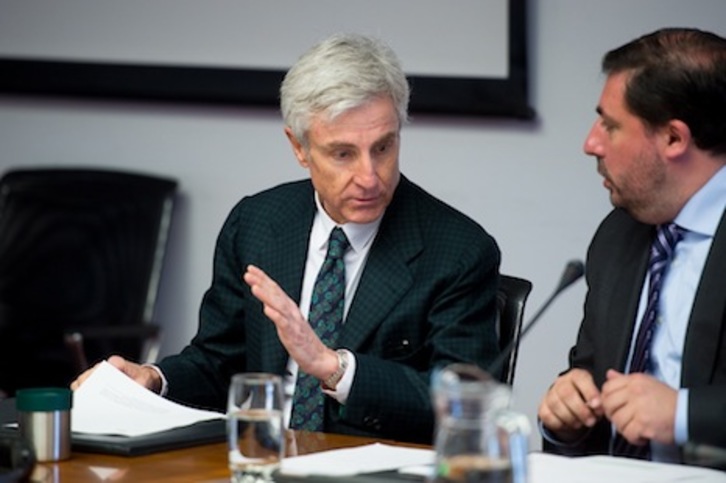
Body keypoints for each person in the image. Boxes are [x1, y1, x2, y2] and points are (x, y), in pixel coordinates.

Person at [72, 33, 501, 444]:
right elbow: (218, 364)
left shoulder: (458, 251)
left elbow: (463, 407)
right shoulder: (256, 223)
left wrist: (336, 369)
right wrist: (154, 379)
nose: (370, 176)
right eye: (343, 153)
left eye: (384, 148)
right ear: (299, 148)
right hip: (261, 461)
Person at [538, 27, 726, 462]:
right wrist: (567, 411)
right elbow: (589, 373)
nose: (591, 143)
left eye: (610, 124)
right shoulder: (618, 234)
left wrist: (683, 414)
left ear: (674, 139)